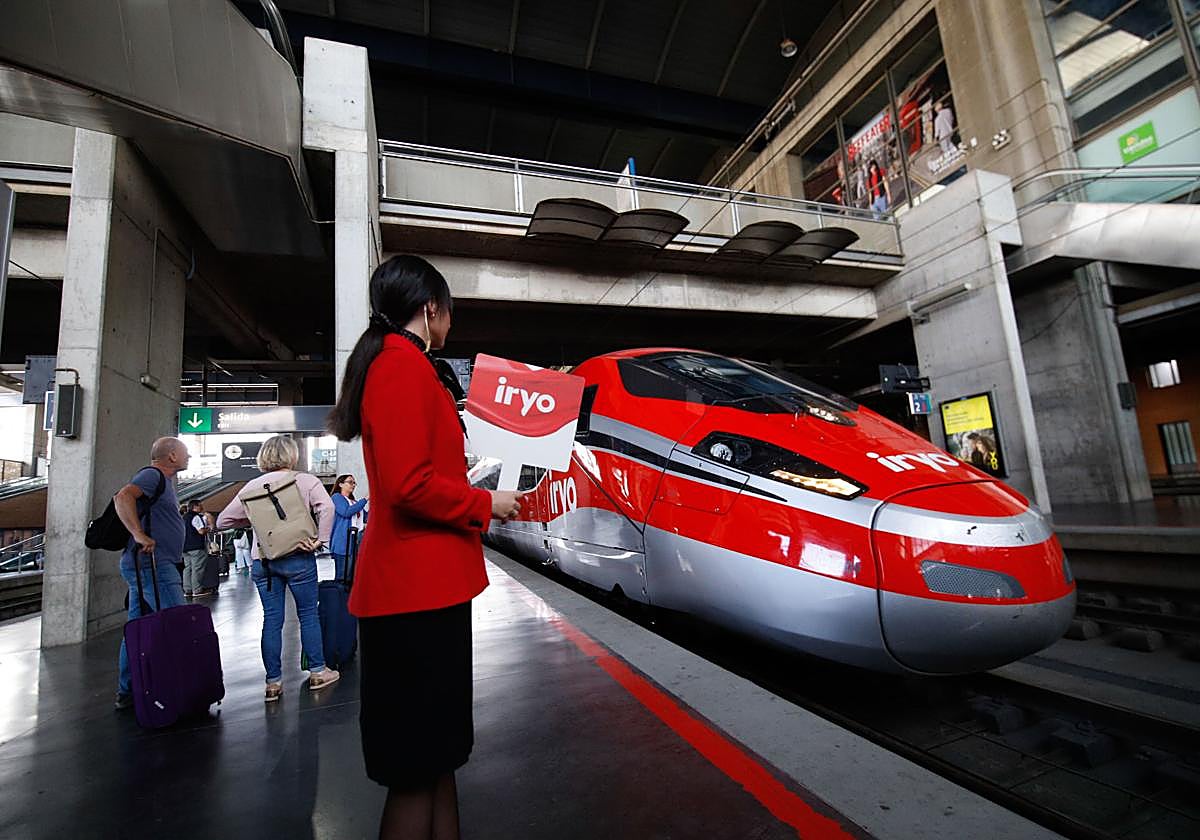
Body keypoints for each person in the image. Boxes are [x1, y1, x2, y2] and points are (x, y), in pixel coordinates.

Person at [328, 255, 524, 840]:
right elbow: (407, 485)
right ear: (430, 308)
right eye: (449, 311)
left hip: (423, 593)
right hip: (414, 596)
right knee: (417, 768)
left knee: (437, 758)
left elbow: (414, 471)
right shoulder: (400, 368)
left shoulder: (402, 365)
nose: (450, 323)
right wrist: (487, 505)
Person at [216, 435, 338, 701]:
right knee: (308, 614)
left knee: (272, 620)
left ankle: (273, 682)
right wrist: (320, 540)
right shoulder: (305, 481)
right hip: (298, 556)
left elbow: (223, 521)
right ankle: (318, 671)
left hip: (264, 561)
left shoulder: (251, 486)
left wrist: (256, 522)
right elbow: (327, 508)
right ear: (292, 455)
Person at [113, 437, 191, 711]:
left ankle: (127, 690)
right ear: (171, 456)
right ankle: (185, 688)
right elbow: (122, 497)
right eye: (185, 454)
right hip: (154, 566)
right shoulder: (151, 476)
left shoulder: (163, 482)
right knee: (178, 623)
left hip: (146, 565)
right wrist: (138, 534)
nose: (188, 457)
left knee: (136, 628)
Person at [330, 474, 368, 581]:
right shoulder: (336, 498)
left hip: (355, 541)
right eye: (350, 482)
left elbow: (366, 517)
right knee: (342, 576)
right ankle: (339, 597)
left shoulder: (354, 502)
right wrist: (365, 499)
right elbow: (346, 512)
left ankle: (348, 597)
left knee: (352, 576)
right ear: (341, 484)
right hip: (343, 541)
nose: (353, 485)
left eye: (354, 483)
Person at [181, 500, 211, 597]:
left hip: (185, 547)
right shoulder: (195, 517)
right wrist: (209, 528)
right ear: (195, 507)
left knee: (187, 568)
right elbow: (201, 531)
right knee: (197, 568)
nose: (202, 507)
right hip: (196, 546)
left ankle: (187, 590)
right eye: (200, 506)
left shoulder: (183, 517)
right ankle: (197, 590)